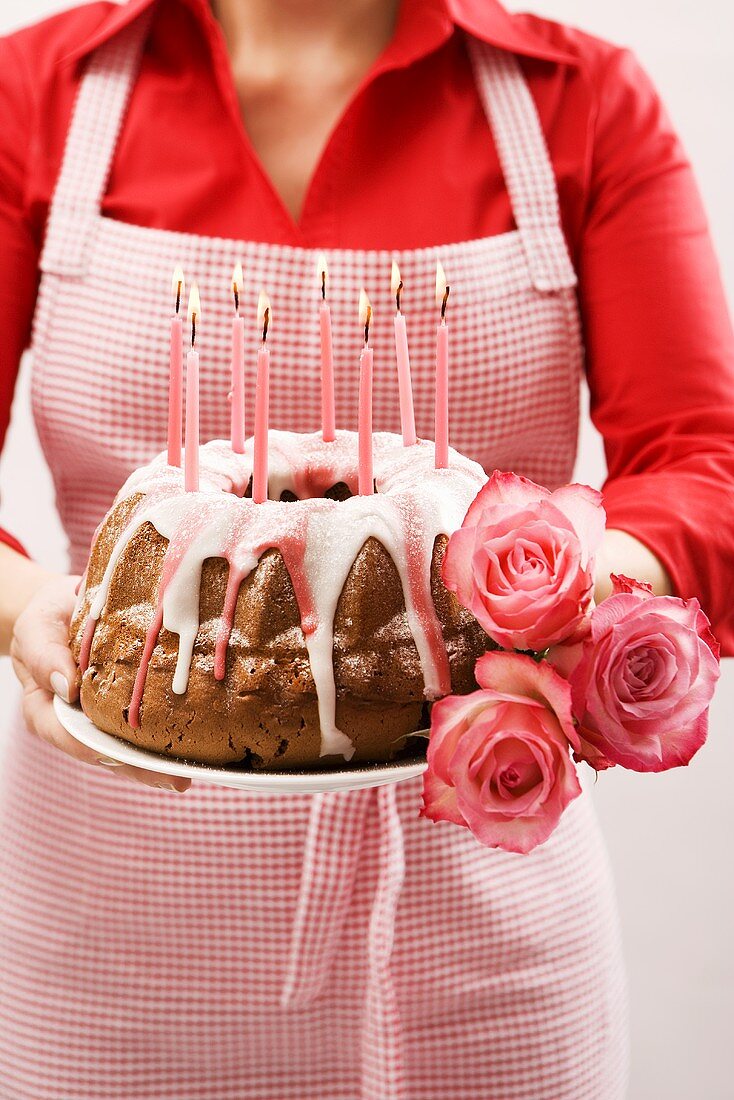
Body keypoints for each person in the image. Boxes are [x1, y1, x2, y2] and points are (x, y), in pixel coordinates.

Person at [0, 0, 732, 1097]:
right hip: (108, 926)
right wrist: (22, 604)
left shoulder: (574, 98)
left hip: (483, 930)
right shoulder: (38, 89)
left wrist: (565, 600)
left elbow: (703, 462)